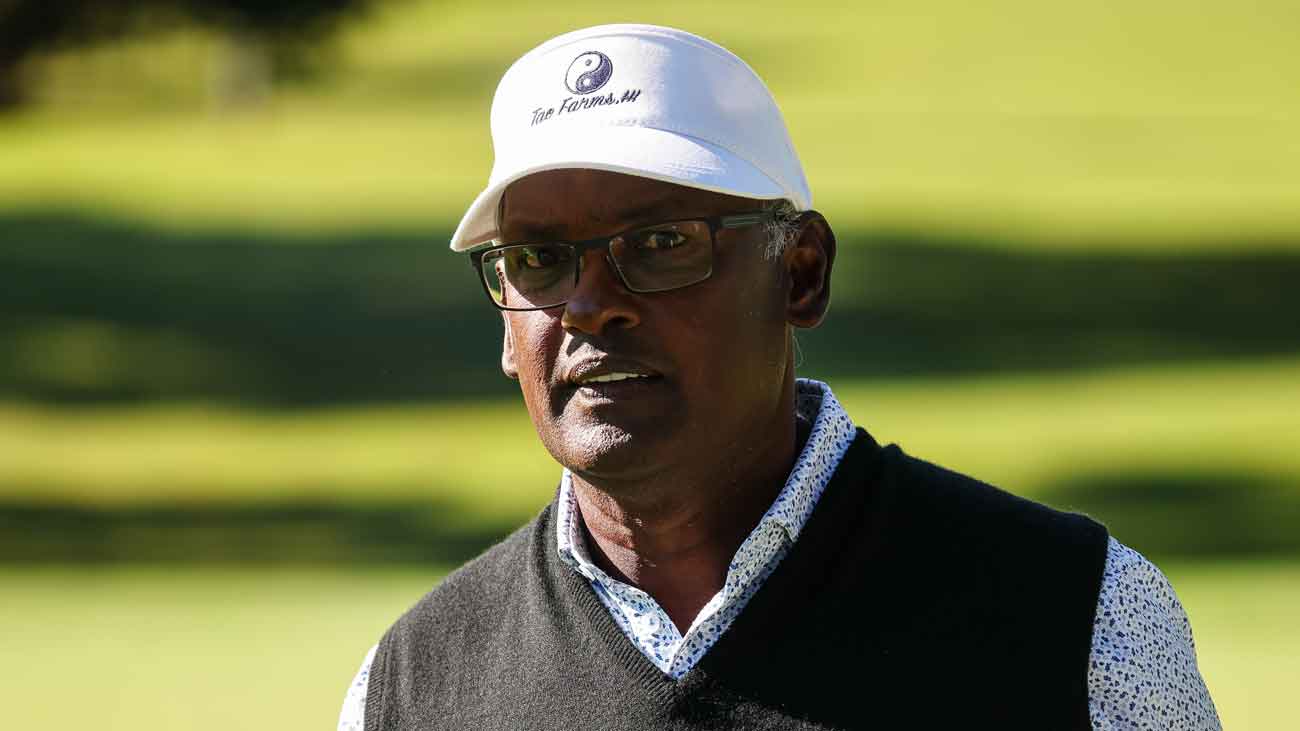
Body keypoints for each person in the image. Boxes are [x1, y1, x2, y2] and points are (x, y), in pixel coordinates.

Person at [340, 24, 1218, 730]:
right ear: (506, 323)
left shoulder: (1076, 616)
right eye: (537, 258)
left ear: (801, 272)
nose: (589, 305)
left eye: (661, 243)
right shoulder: (413, 686)